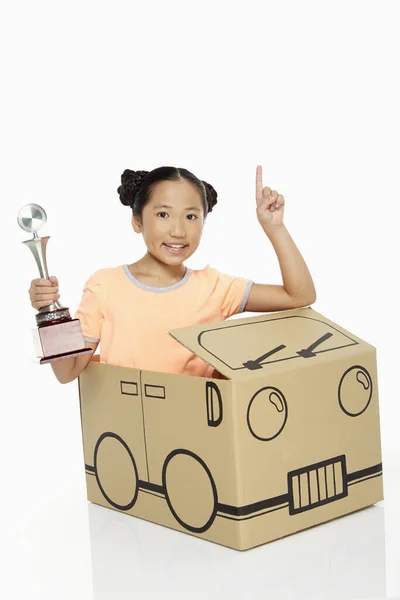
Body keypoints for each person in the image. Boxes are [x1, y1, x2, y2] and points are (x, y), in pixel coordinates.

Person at [28, 165, 317, 383]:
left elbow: (300, 295)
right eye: (163, 214)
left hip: (197, 439)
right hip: (129, 437)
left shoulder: (215, 287)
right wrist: (47, 311)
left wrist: (274, 228)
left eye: (191, 216)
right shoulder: (105, 286)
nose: (178, 231)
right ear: (137, 221)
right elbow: (67, 372)